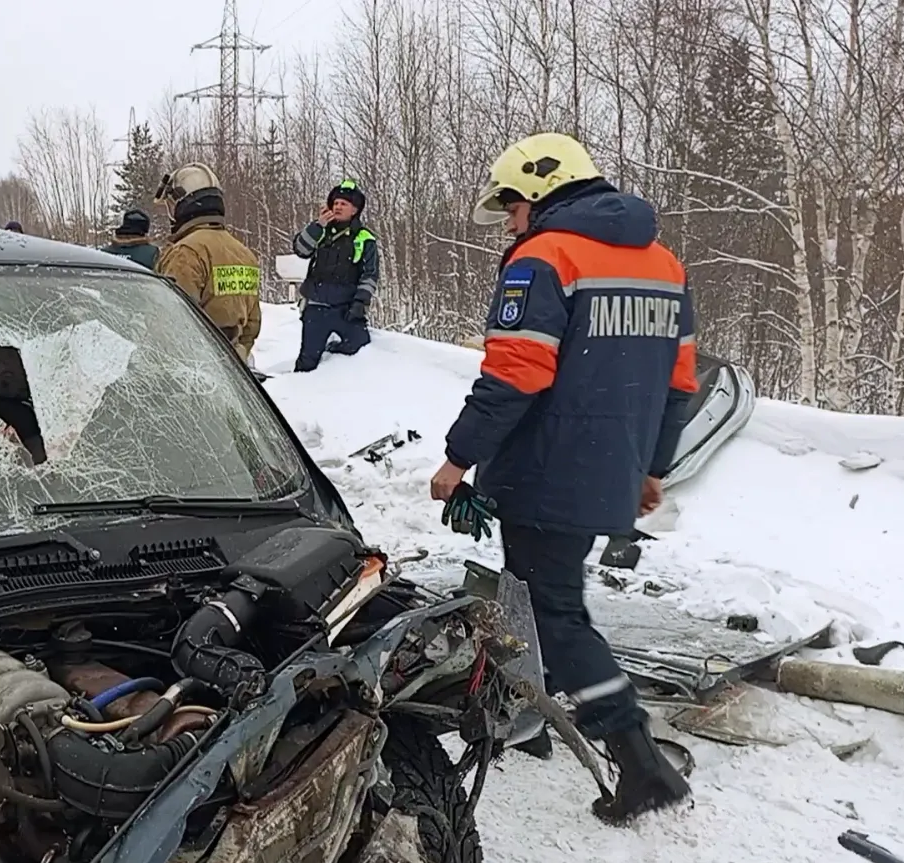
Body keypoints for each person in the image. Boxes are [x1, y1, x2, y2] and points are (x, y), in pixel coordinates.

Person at [429, 132, 698, 825]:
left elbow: (516, 371)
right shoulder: (664, 263)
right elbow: (679, 384)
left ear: (541, 189)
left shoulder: (545, 256)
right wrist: (651, 466)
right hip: (607, 469)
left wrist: (458, 456)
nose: (511, 221)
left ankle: (638, 758)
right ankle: (526, 715)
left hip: (546, 468)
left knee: (555, 608)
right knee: (534, 592)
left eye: (513, 206)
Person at [153, 163, 262, 361]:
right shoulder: (245, 254)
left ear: (184, 203)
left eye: (172, 206)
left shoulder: (186, 253)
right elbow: (252, 324)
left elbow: (172, 320)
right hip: (231, 367)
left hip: (192, 364)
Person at [290, 179, 378, 372]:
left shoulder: (364, 238)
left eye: (343, 204)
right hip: (316, 307)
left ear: (354, 210)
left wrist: (360, 303)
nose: (338, 207)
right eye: (336, 203)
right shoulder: (321, 231)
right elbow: (300, 249)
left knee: (360, 348)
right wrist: (318, 225)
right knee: (307, 362)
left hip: (346, 309)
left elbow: (370, 275)